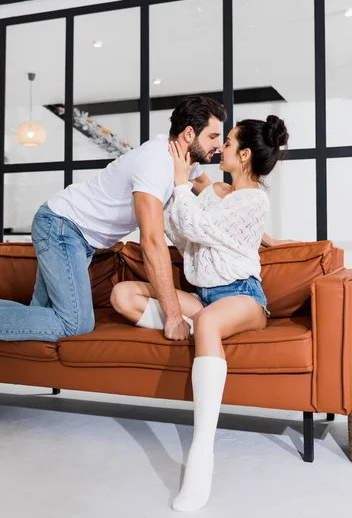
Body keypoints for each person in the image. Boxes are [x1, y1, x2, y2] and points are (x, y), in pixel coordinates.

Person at [110, 115, 289, 512]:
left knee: (207, 321)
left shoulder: (255, 200)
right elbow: (179, 229)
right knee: (123, 295)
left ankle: (201, 456)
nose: (218, 148)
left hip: (242, 297)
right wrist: (179, 191)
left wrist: (179, 181)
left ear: (243, 155)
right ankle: (207, 343)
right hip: (204, 296)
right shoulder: (213, 191)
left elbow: (199, 227)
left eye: (226, 143)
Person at [0, 96, 227, 342]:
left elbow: (210, 194)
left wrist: (256, 227)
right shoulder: (156, 163)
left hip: (70, 231)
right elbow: (151, 241)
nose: (219, 146)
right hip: (62, 227)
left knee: (41, 316)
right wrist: (173, 316)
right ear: (189, 134)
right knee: (74, 325)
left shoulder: (183, 161)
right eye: (213, 137)